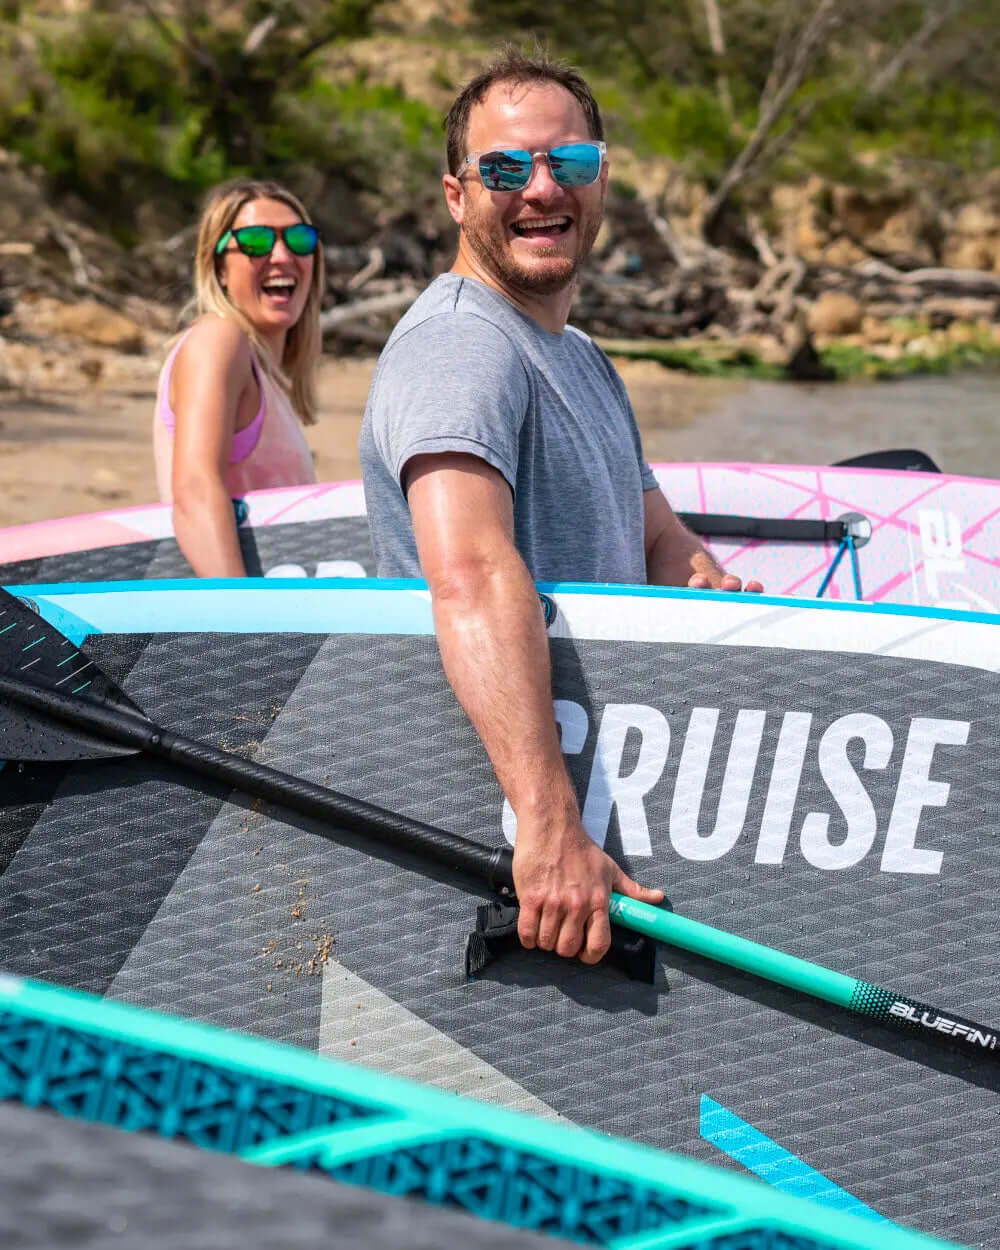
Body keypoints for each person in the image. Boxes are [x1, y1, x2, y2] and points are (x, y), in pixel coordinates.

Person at [360, 48, 762, 967]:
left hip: (603, 780)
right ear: (458, 196)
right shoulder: (461, 347)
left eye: (568, 163)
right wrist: (547, 825)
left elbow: (654, 527)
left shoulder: (579, 355)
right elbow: (468, 574)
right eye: (506, 169)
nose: (542, 190)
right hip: (506, 806)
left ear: (601, 177)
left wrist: (694, 577)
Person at [153, 178, 324, 576]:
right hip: (238, 622)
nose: (281, 255)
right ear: (219, 267)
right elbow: (195, 491)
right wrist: (244, 618)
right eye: (255, 241)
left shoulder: (265, 374)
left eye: (299, 239)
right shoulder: (218, 339)